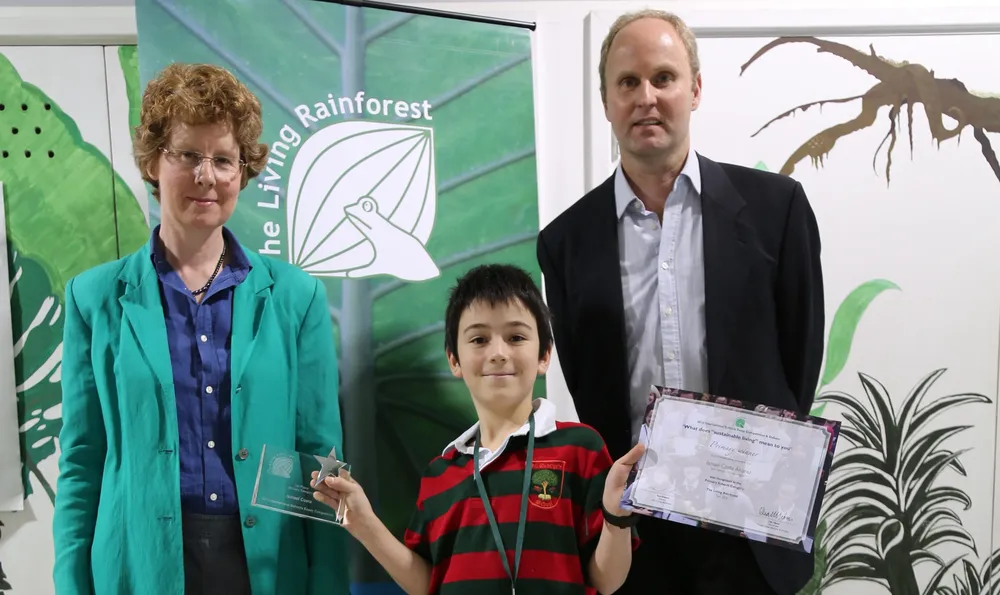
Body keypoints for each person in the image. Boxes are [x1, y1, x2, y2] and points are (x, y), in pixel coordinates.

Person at [535, 9, 824, 595]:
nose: (647, 97)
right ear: (606, 100)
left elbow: (799, 363)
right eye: (628, 82)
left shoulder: (777, 210)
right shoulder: (565, 241)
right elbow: (588, 382)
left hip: (749, 530)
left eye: (663, 78)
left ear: (694, 89)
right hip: (633, 531)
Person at [52, 63, 349, 595]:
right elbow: (81, 460)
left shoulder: (295, 297)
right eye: (187, 155)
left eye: (223, 159)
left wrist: (325, 580)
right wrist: (71, 584)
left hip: (266, 562)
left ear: (244, 171)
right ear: (152, 162)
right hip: (139, 563)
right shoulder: (94, 298)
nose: (206, 175)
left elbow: (318, 456)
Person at [311, 264, 645, 595]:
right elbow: (427, 583)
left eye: (515, 337)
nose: (498, 353)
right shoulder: (440, 473)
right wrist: (364, 523)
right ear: (454, 359)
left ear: (544, 354)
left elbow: (607, 580)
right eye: (479, 339)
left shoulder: (579, 448)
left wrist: (617, 518)